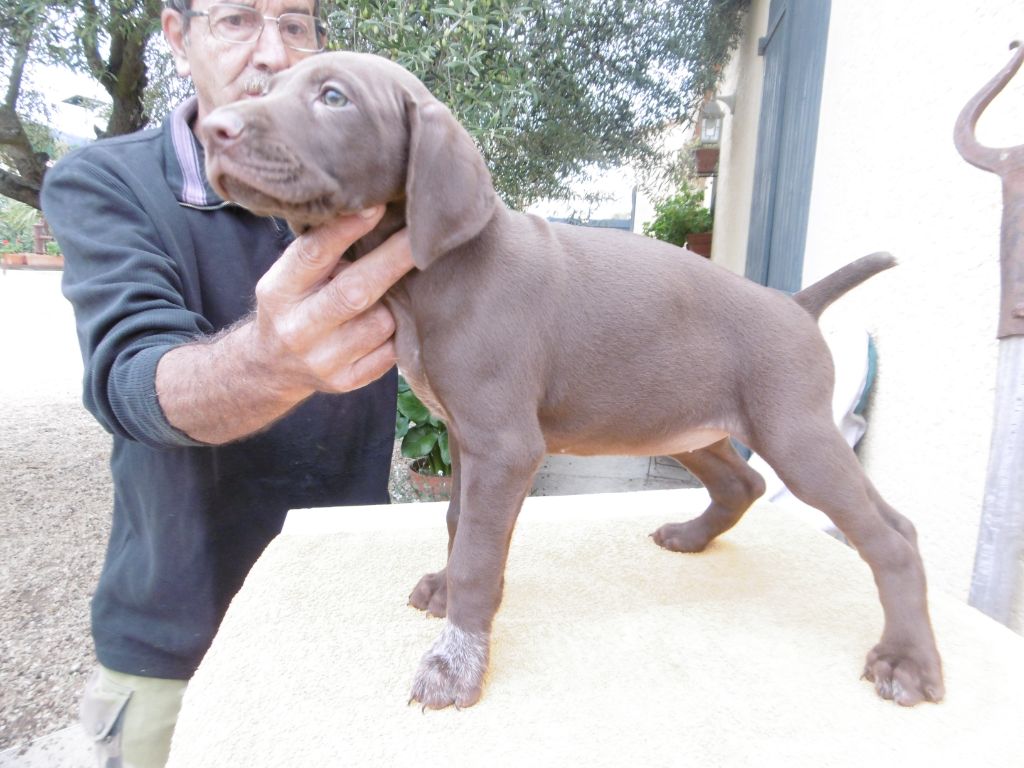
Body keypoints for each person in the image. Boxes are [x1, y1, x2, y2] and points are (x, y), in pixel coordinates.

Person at [40, 0, 414, 764]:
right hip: (178, 643)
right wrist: (269, 364)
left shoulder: (371, 180)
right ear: (178, 39)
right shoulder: (105, 180)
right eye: (237, 20)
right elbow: (130, 381)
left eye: (295, 25)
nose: (273, 53)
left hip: (342, 618)